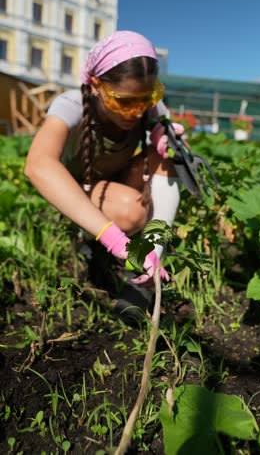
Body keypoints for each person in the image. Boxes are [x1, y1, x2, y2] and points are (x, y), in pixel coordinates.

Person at [25, 30, 184, 297]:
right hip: (77, 190)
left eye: (145, 100)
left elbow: (180, 161)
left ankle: (150, 255)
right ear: (97, 85)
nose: (137, 111)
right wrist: (113, 239)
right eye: (124, 101)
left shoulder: (148, 107)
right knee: (130, 212)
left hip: (114, 182)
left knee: (168, 153)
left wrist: (168, 138)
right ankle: (91, 243)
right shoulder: (71, 105)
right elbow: (38, 165)